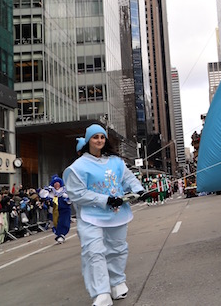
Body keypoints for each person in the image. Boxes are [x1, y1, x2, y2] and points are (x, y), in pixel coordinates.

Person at [64, 124, 144, 306]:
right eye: (95, 137)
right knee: (94, 252)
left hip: (117, 214)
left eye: (102, 137)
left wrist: (139, 190)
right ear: (88, 140)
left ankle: (117, 283)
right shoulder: (78, 167)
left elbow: (128, 178)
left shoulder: (116, 161)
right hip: (91, 217)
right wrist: (105, 200)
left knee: (118, 249)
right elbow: (77, 193)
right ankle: (101, 292)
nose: (99, 140)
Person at [44, 174, 72, 243]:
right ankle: (59, 234)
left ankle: (61, 234)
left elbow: (70, 198)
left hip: (64, 209)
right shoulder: (51, 191)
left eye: (58, 183)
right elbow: (44, 195)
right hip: (55, 211)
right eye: (55, 183)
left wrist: (67, 199)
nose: (56, 185)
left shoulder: (65, 190)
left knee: (63, 221)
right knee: (56, 223)